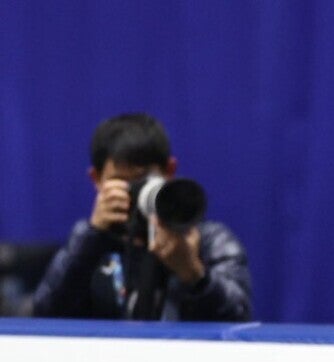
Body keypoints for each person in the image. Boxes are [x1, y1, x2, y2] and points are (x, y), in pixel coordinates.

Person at [32, 113, 251, 321]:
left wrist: (194, 274)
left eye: (144, 180)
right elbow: (45, 314)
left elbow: (239, 320)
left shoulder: (208, 240)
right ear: (97, 179)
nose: (135, 192)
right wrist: (91, 239)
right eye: (121, 181)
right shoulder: (89, 243)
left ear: (169, 171)